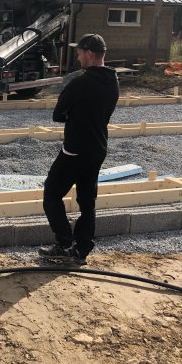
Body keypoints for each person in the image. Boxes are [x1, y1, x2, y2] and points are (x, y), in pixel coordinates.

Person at [38, 33, 119, 265]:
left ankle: (64, 243)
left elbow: (57, 114)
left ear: (90, 54)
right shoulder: (113, 81)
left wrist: (75, 117)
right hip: (98, 148)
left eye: (80, 52)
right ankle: (81, 250)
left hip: (74, 150)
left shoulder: (80, 82)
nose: (77, 56)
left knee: (51, 193)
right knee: (87, 201)